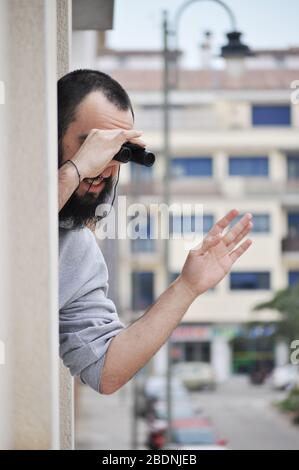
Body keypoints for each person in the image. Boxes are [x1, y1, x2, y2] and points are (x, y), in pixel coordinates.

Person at [58, 69, 253, 395]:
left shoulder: (75, 248)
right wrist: (74, 171)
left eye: (117, 151)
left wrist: (187, 288)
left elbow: (106, 370)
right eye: (93, 144)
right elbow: (18, 237)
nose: (104, 166)